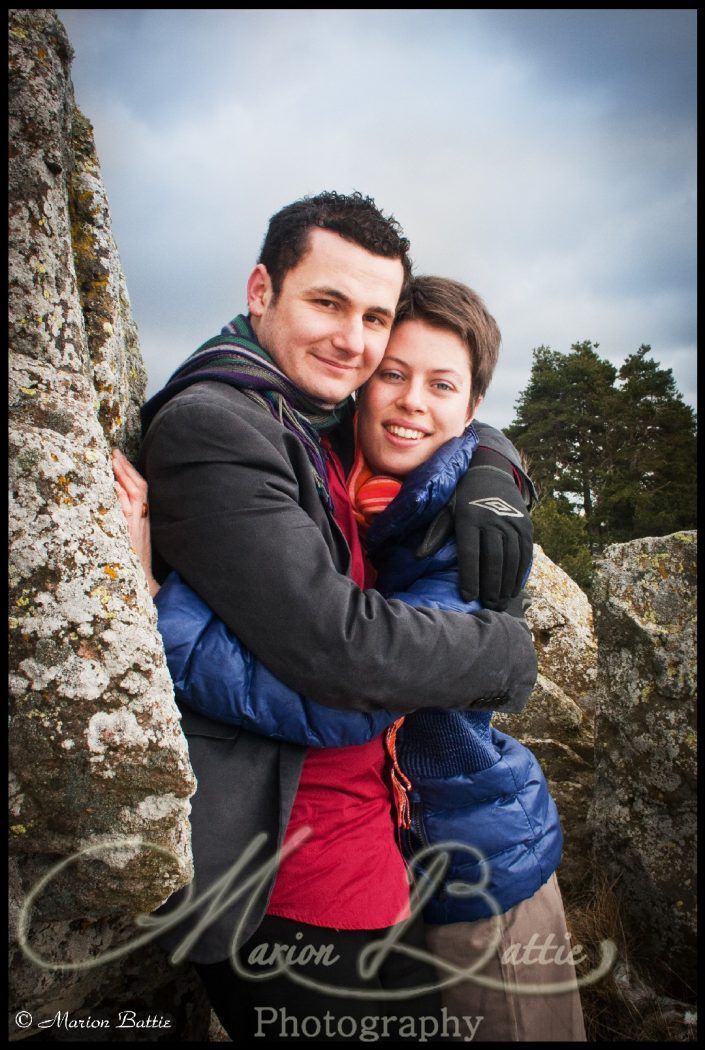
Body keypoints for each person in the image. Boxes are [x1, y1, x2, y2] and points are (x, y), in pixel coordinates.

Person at [115, 275, 585, 1041]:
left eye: (441, 386)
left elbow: (346, 694)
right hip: (394, 851)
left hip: (481, 854)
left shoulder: (466, 539)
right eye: (392, 374)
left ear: (469, 411)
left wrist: (155, 610)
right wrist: (497, 457)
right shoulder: (347, 476)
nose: (409, 401)